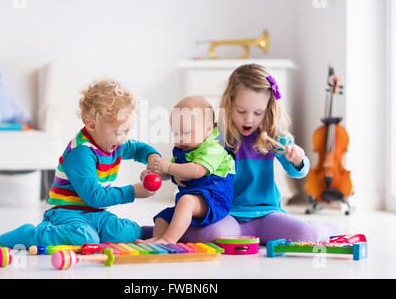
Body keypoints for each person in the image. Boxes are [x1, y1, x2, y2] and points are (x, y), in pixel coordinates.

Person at [141, 64, 338, 244]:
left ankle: (322, 228)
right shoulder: (215, 138)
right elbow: (187, 165)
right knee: (209, 237)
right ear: (229, 103)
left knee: (307, 236)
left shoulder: (274, 137)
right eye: (241, 111)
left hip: (267, 214)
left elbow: (299, 172)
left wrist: (297, 160)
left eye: (258, 113)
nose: (249, 119)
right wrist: (164, 172)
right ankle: (159, 232)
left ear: (268, 110)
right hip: (228, 215)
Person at [0, 79, 161, 248]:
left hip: (96, 214)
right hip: (65, 213)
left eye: (128, 131)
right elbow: (94, 196)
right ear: (91, 124)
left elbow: (138, 149)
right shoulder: (80, 153)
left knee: (125, 233)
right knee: (86, 238)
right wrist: (133, 192)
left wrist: (152, 158)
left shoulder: (113, 144)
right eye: (120, 132)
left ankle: (158, 233)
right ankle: (31, 235)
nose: (125, 138)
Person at [137, 96, 235, 244]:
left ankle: (168, 239)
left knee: (186, 201)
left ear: (208, 129)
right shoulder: (184, 149)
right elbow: (172, 171)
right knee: (163, 217)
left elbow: (196, 171)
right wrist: (155, 173)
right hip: (193, 198)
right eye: (176, 133)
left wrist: (168, 166)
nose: (180, 138)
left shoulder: (214, 148)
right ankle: (157, 240)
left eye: (186, 132)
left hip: (214, 199)